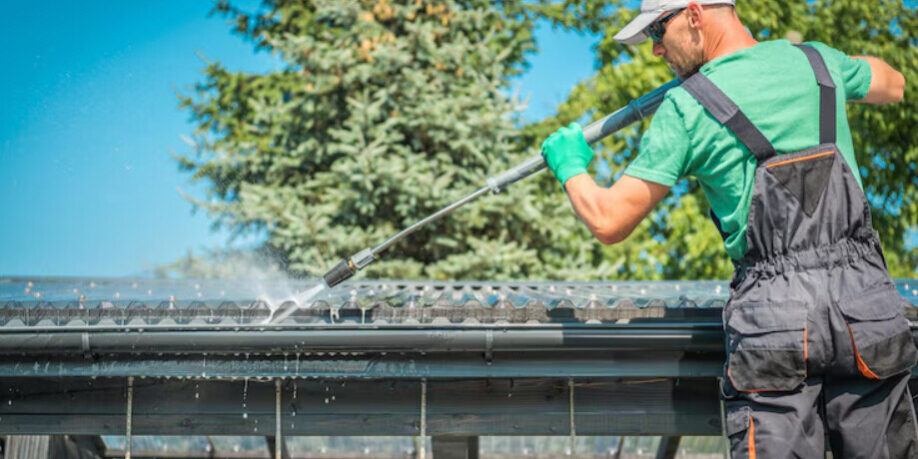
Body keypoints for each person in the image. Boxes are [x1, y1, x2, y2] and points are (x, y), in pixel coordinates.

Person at [540, 1, 916, 457]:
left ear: (695, 14)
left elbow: (608, 219)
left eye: (659, 30)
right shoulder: (817, 62)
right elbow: (894, 84)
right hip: (866, 307)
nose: (656, 49)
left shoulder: (686, 108)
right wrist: (823, 65)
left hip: (776, 322)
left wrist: (571, 167)